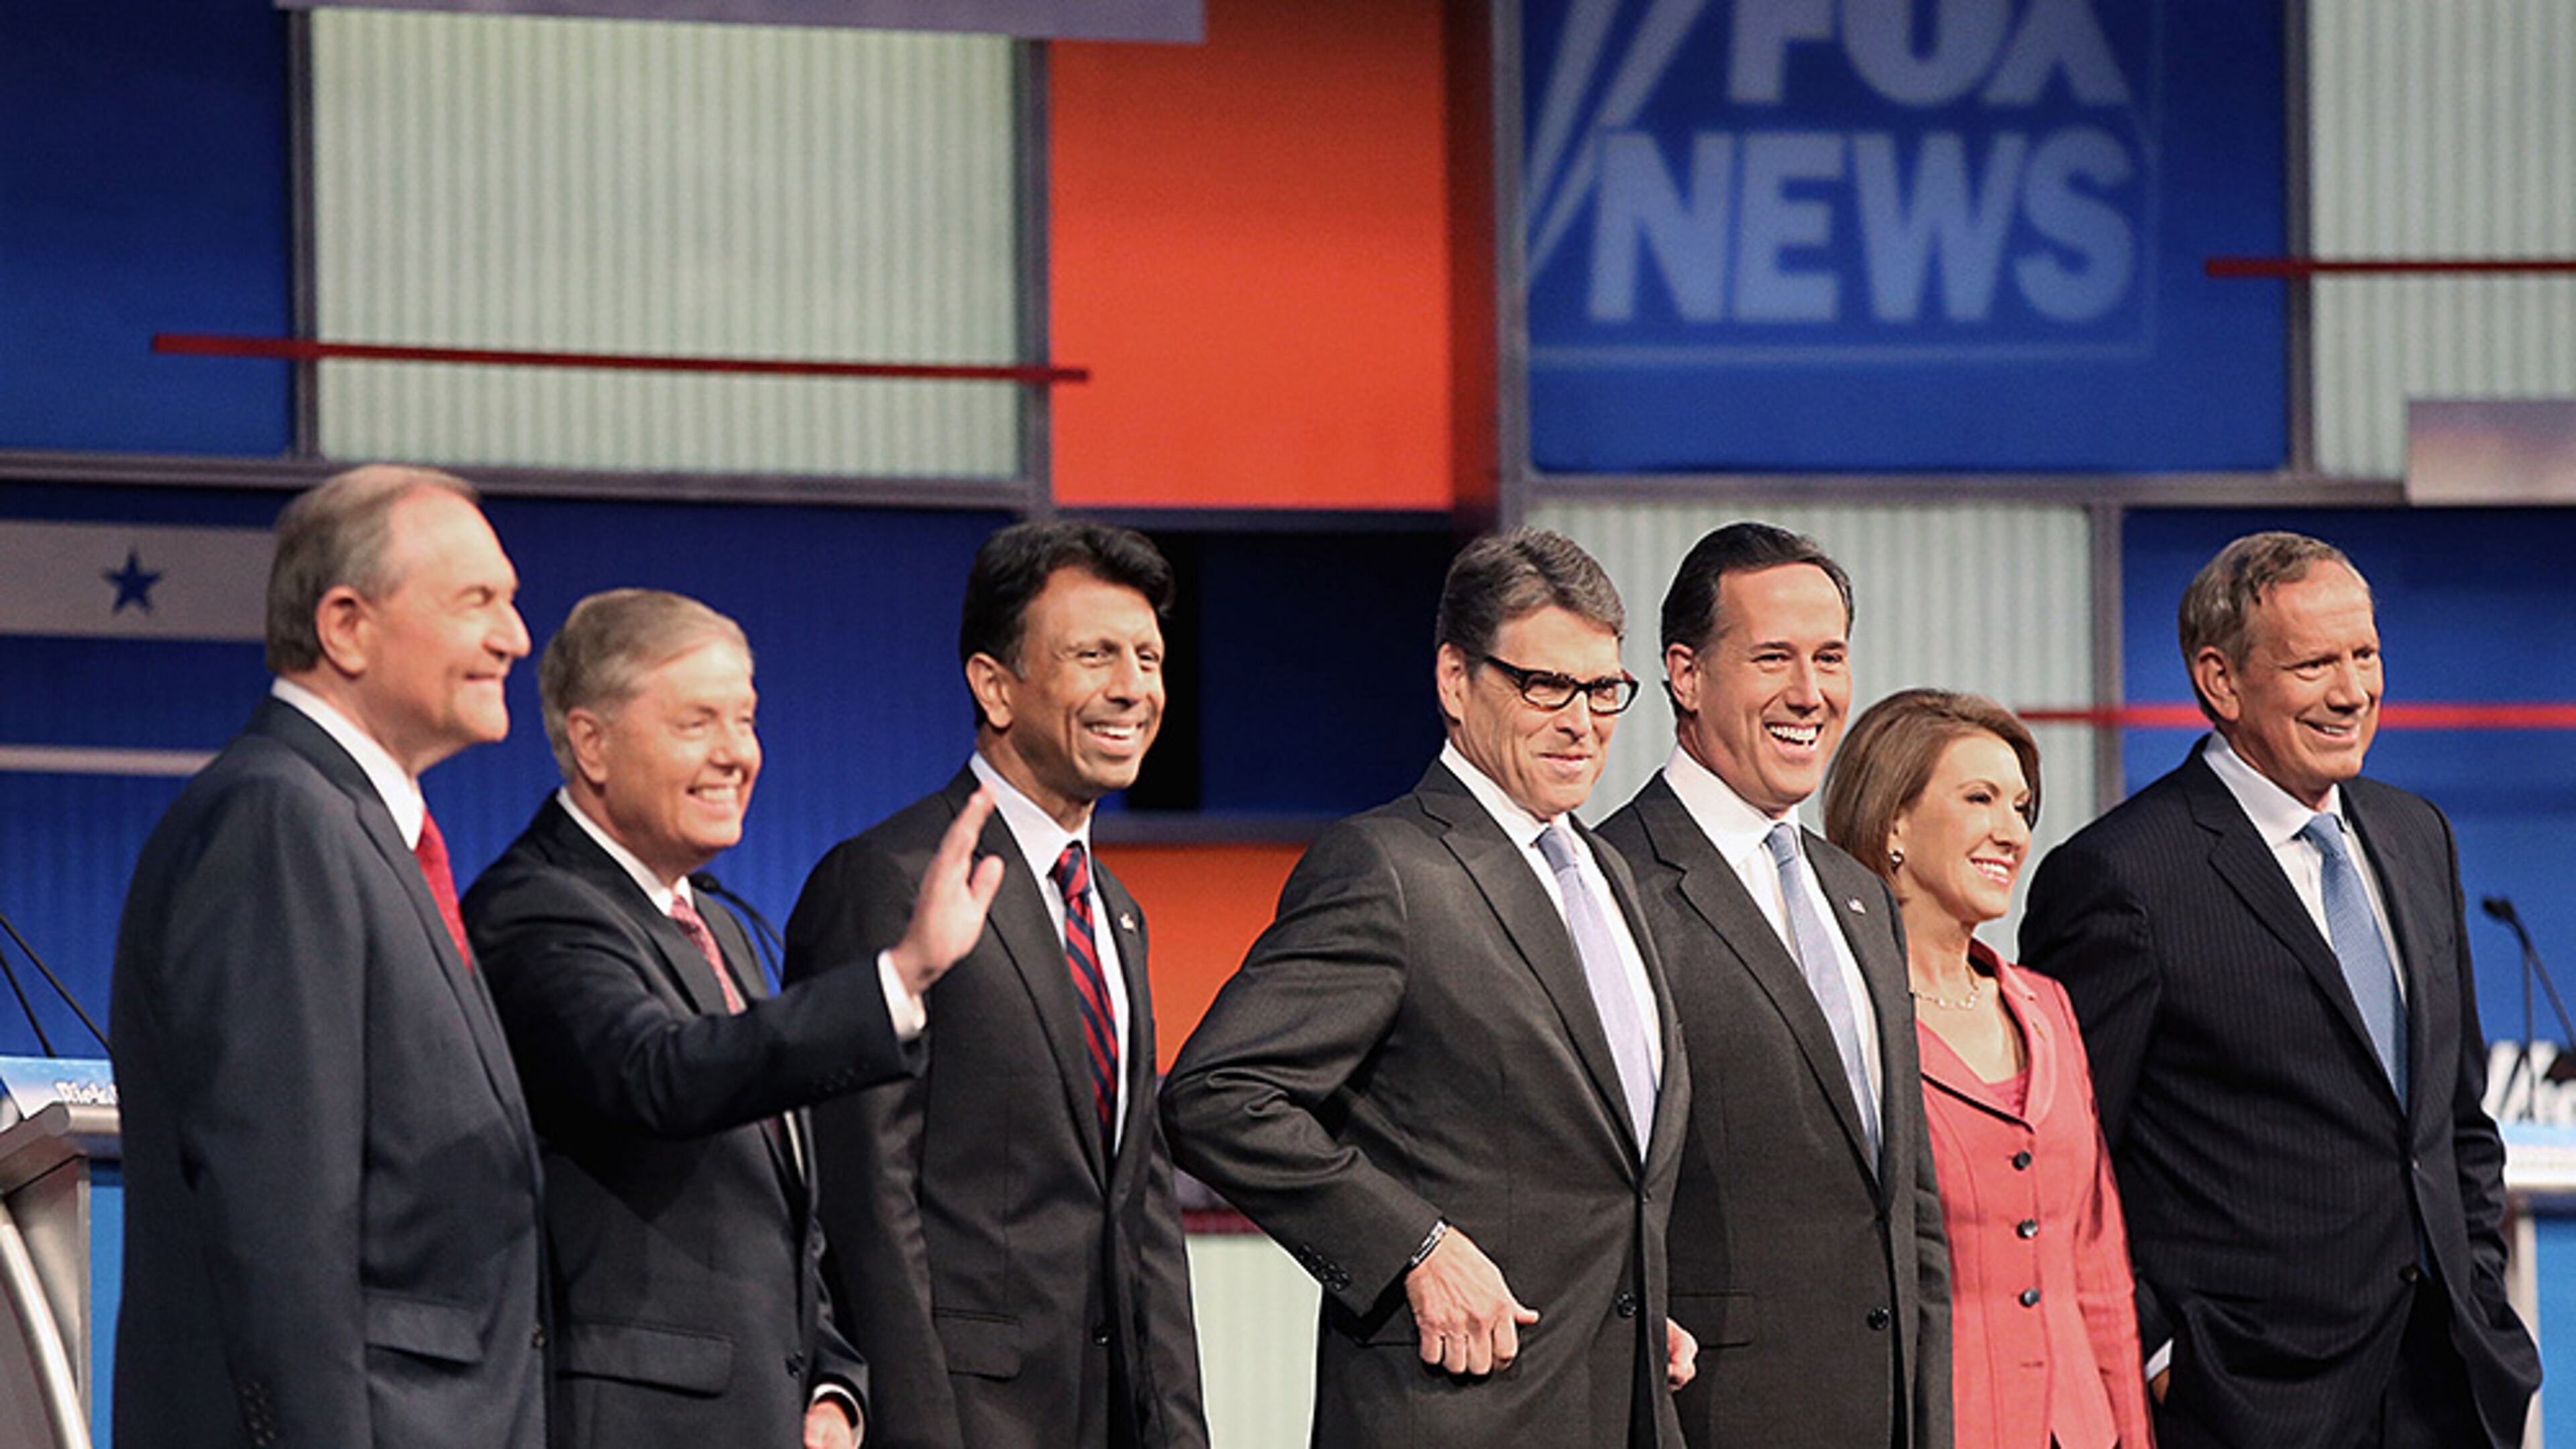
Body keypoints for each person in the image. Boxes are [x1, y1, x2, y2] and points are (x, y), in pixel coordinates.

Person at [1163, 527, 1697, 1448]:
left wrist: (1631, 1294)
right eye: (1546, 687)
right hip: (1456, 1412)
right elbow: (1220, 1095)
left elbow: (1598, 1170)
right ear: (1456, 682)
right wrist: (1413, 1246)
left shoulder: (1611, 877)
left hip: (1618, 1402)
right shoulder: (1386, 868)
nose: (1582, 721)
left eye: (1604, 690)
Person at [2021, 531, 2541, 1449]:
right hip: (2245, 1400)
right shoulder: (2121, 876)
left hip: (2446, 1382)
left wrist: (2481, 1290)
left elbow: (2453, 1119)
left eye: (2366, 654)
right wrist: (2153, 1348)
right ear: (2221, 681)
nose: (2353, 691)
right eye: (2314, 664)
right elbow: (2067, 1160)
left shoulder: (2417, 835)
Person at [461, 589, 1005, 1449]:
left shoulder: (715, 922)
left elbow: (778, 1196)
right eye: (696, 724)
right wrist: (899, 977)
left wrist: (831, 1376)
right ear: (592, 742)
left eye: (745, 721)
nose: (736, 755)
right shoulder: (533, 911)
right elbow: (661, 1073)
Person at [111, 464, 548, 1449]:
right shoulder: (279, 822)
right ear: (347, 625)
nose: (516, 636)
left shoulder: (355, 829)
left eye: (512, 603)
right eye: (478, 602)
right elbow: (281, 1228)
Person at [784, 521, 1208, 1449]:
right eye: (1095, 655)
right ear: (994, 685)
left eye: (1149, 657)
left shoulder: (1118, 912)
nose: (1133, 689)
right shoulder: (892, 880)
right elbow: (866, 1200)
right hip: (968, 1420)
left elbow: (1140, 1210)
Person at [1595, 521, 1950, 1449]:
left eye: (1830, 657)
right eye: (1773, 658)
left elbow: (1909, 1210)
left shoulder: (1859, 893)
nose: (1810, 694)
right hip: (1714, 1418)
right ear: (1684, 674)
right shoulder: (1611, 886)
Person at [1823, 688, 2153, 1449]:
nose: (2011, 832)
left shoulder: (2048, 1004)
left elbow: (2098, 1266)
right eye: (1981, 799)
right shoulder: (1841, 1017)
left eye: (2022, 808)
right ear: (1894, 821)